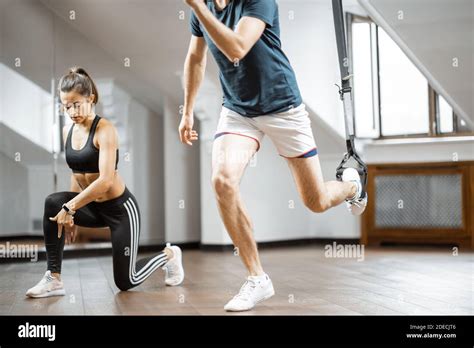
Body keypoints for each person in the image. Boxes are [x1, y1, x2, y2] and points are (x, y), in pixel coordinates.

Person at [180, 0, 367, 311]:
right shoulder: (202, 8)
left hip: (283, 105)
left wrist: (200, 9)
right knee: (222, 181)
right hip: (238, 110)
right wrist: (187, 111)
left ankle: (352, 186)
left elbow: (237, 47)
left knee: (316, 201)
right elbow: (195, 58)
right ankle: (257, 279)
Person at [26, 67, 184, 298]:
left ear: (90, 99)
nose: (71, 111)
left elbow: (106, 180)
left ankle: (169, 255)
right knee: (53, 203)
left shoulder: (105, 129)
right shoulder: (66, 131)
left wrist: (71, 207)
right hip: (92, 208)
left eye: (76, 104)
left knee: (126, 281)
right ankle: (53, 278)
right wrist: (71, 215)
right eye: (66, 105)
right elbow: (75, 174)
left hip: (120, 210)